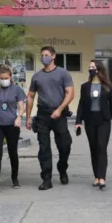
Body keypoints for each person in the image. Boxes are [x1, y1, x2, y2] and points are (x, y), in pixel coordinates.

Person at [26, 46, 75, 191]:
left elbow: (70, 93)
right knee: (44, 148)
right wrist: (28, 117)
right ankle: (46, 179)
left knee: (65, 145)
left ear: (53, 56)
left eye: (46, 55)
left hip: (59, 115)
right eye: (42, 55)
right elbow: (30, 96)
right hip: (43, 115)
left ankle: (62, 168)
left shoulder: (63, 73)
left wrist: (60, 110)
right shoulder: (37, 77)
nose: (43, 57)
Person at [75, 60, 112, 190]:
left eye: (93, 67)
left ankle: (102, 177)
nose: (91, 69)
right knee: (93, 148)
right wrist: (78, 121)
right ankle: (96, 176)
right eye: (89, 67)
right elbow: (81, 105)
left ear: (99, 69)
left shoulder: (107, 86)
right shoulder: (85, 86)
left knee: (102, 147)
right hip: (90, 120)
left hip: (104, 121)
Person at [0, 66, 26, 193]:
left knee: (12, 152)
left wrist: (19, 117)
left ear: (11, 77)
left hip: (11, 125)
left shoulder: (17, 89)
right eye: (2, 78)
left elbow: (21, 106)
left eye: (6, 78)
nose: (4, 80)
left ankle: (14, 178)